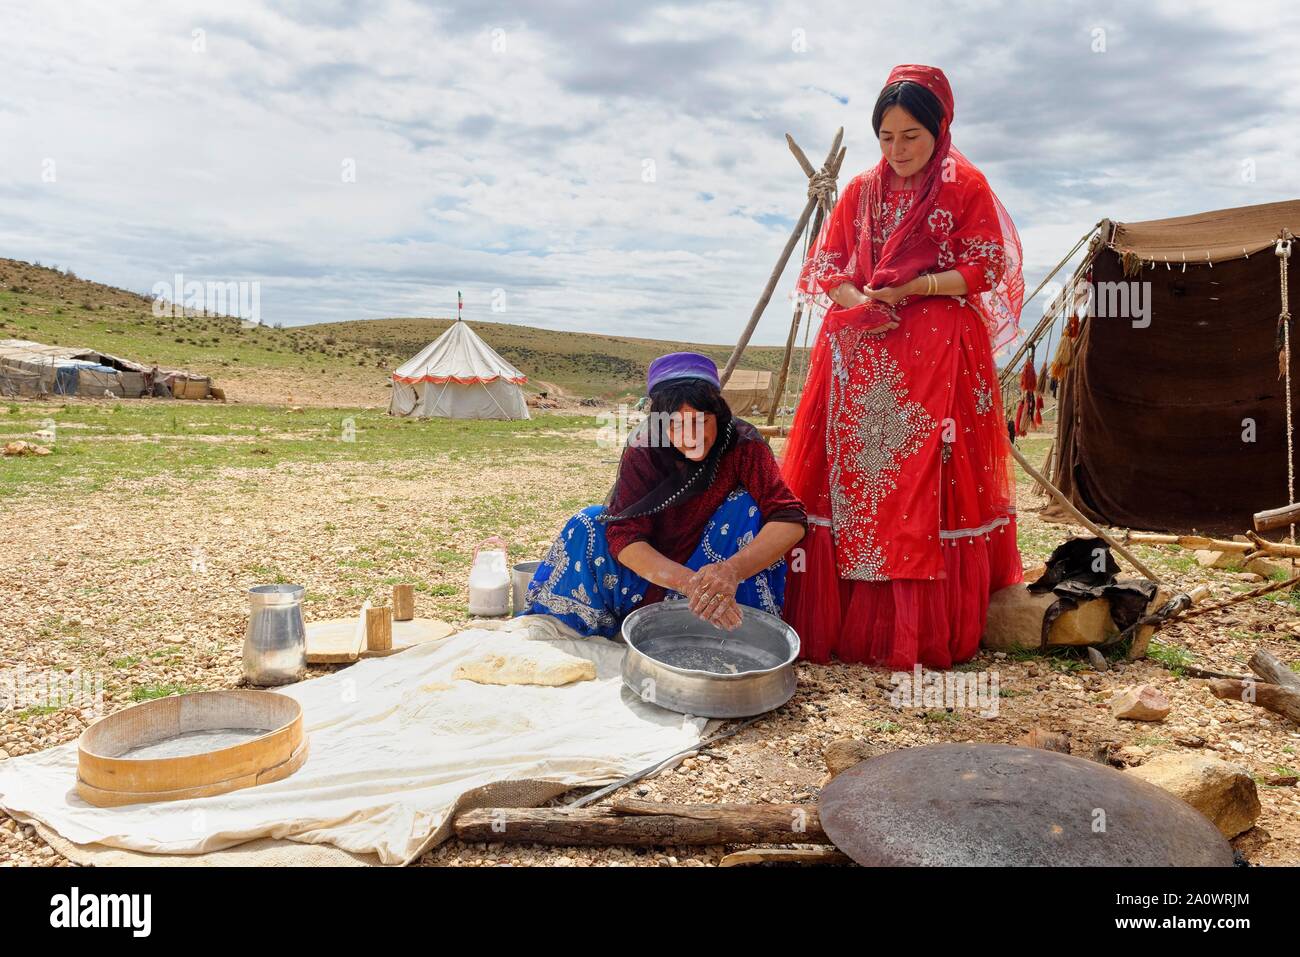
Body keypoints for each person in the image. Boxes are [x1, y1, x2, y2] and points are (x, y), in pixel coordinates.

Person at [781, 64, 1025, 670]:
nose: (898, 150)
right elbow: (824, 266)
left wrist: (917, 287)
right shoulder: (862, 188)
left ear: (939, 129)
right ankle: (842, 620)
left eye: (911, 136)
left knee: (925, 478)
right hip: (860, 352)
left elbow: (987, 266)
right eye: (886, 137)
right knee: (853, 472)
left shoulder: (964, 185)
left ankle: (911, 630)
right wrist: (857, 303)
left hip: (939, 351)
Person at [524, 352, 807, 638]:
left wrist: (731, 571)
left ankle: (726, 633)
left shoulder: (743, 445)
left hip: (717, 569)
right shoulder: (645, 449)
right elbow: (625, 534)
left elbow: (788, 518)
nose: (691, 437)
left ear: (718, 416)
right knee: (588, 521)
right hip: (651, 571)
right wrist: (690, 583)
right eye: (676, 424)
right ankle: (588, 628)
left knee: (747, 506)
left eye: (702, 421)